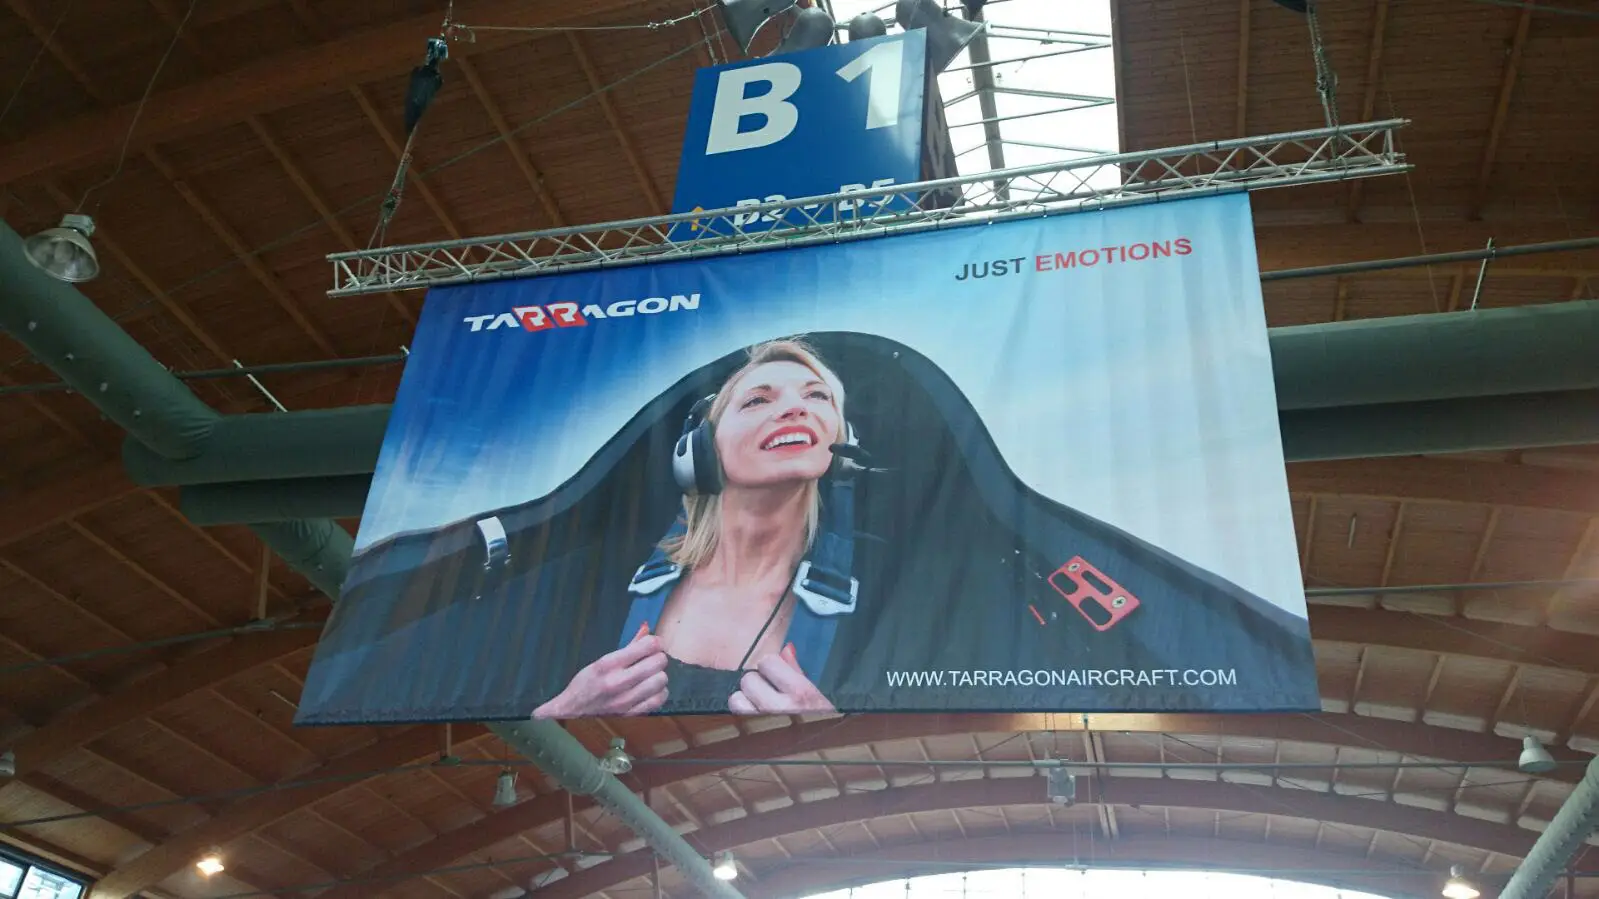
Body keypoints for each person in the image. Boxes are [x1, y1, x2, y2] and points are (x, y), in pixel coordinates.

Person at [533, 338, 847, 718]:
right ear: (700, 449)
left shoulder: (888, 597)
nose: (796, 408)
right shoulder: (601, 579)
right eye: (757, 400)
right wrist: (562, 712)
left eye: (817, 396)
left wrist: (827, 728)